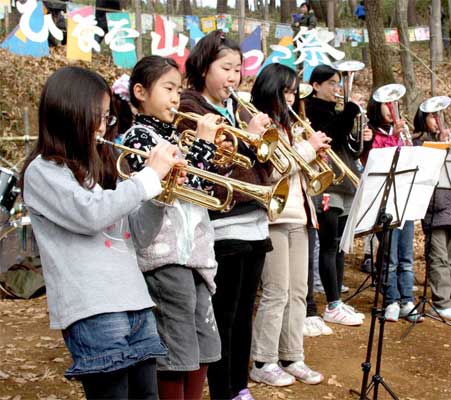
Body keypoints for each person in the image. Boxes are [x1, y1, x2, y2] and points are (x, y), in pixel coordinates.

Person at [21, 66, 185, 399]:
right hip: (93, 308)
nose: (103, 126)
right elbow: (90, 215)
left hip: (135, 303)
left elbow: (138, 235)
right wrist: (147, 179)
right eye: (98, 116)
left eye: (107, 117)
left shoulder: (97, 173)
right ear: (70, 113)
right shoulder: (42, 172)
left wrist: (160, 197)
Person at [115, 55, 225, 400]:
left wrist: (212, 152)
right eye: (168, 88)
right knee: (176, 353)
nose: (177, 97)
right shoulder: (136, 137)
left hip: (197, 255)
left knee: (204, 344)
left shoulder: (179, 136)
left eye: (179, 89)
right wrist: (204, 146)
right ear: (140, 92)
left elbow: (208, 191)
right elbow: (178, 184)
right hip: (164, 257)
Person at [177, 30, 273, 400]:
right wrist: (247, 139)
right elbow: (209, 175)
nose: (233, 77)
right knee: (223, 315)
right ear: (203, 68)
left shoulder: (237, 108)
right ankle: (222, 390)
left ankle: (240, 386)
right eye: (226, 68)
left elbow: (259, 167)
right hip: (221, 227)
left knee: (245, 312)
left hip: (253, 223)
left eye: (238, 69)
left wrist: (261, 144)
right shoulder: (192, 111)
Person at [249, 63, 328, 387]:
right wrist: (307, 150)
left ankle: (292, 355)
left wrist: (315, 160)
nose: (292, 98)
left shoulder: (291, 127)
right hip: (273, 217)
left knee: (298, 292)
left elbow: (297, 173)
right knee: (276, 292)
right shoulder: (260, 124)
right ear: (271, 90)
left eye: (294, 92)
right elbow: (271, 173)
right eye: (287, 91)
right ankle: (262, 360)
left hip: (300, 215)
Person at [305, 64, 373, 326]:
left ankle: (337, 299)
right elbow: (329, 134)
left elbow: (351, 151)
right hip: (327, 186)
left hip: (346, 185)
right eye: (332, 83)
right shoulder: (310, 111)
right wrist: (350, 112)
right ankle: (331, 304)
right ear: (316, 86)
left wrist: (363, 137)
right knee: (329, 245)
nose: (338, 88)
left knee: (341, 246)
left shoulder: (336, 112)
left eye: (338, 83)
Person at [365, 92, 420, 322]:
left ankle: (407, 298)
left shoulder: (399, 135)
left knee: (406, 255)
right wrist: (393, 137)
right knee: (389, 255)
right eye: (386, 104)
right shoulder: (372, 134)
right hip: (385, 202)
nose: (391, 108)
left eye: (394, 103)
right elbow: (378, 158)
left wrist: (403, 140)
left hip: (404, 200)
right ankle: (391, 300)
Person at [413, 106, 451, 321]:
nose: (437, 120)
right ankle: (441, 302)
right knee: (438, 257)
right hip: (433, 205)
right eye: (431, 116)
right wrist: (440, 146)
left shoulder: (445, 142)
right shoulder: (419, 142)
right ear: (422, 118)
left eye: (440, 116)